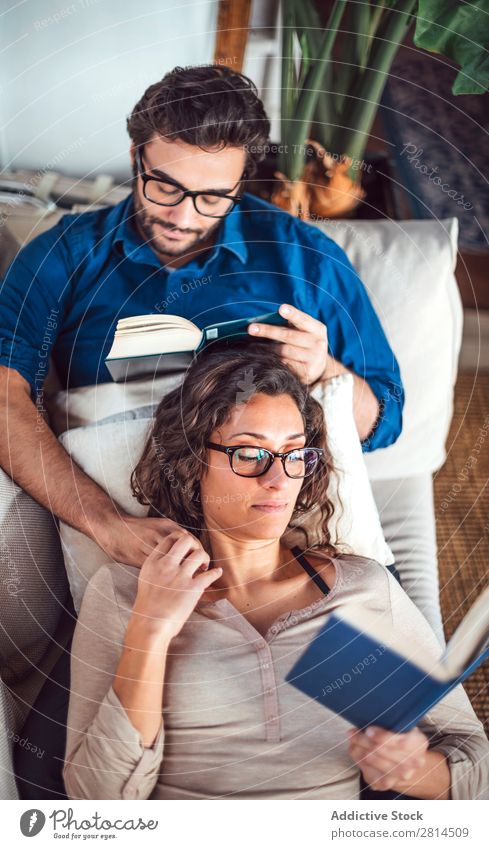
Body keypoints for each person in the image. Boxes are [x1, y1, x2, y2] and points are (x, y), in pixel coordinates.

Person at [0, 64, 403, 570]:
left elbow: (386, 419)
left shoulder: (307, 258)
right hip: (133, 532)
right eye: (164, 187)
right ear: (135, 158)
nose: (183, 216)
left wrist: (327, 371)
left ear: (240, 183)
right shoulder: (63, 256)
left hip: (285, 540)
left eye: (213, 197)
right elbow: (3, 396)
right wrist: (105, 523)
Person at [63, 345, 488, 800]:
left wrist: (418, 772)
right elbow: (94, 800)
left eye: (293, 454)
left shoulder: (361, 590)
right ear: (192, 462)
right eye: (250, 454)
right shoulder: (125, 593)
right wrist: (150, 631)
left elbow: (475, 761)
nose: (278, 480)